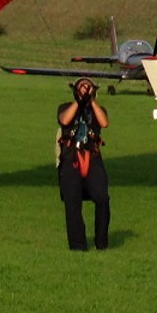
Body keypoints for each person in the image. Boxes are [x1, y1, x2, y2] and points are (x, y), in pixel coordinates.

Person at [57, 76, 111, 251]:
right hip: (71, 157)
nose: (85, 88)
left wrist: (92, 101)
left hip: (92, 156)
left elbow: (104, 123)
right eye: (82, 86)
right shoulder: (65, 107)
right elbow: (64, 120)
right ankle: (78, 245)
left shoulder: (98, 109)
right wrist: (78, 102)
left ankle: (101, 243)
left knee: (102, 198)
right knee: (72, 201)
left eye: (88, 86)